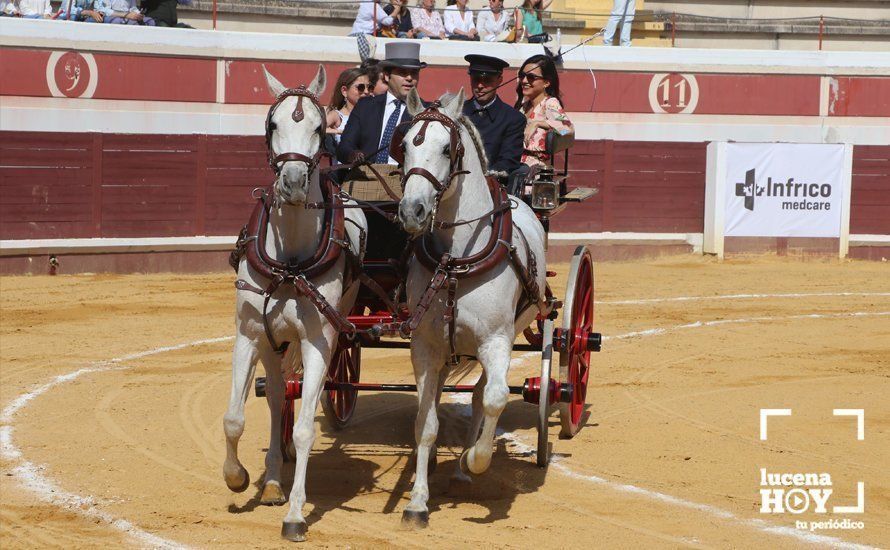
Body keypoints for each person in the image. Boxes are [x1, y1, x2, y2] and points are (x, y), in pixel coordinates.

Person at [337, 41, 426, 165]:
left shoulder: (426, 112)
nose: (409, 78)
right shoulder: (365, 106)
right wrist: (353, 155)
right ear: (386, 76)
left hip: (405, 180)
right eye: (402, 72)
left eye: (414, 72)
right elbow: (344, 147)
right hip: (365, 178)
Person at [509, 54, 573, 195]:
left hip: (535, 174)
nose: (524, 81)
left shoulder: (550, 103)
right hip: (514, 165)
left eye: (531, 77)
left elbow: (567, 131)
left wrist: (540, 124)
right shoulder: (523, 105)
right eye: (522, 76)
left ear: (546, 83)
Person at [461, 54, 525, 179]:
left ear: (499, 80)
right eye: (476, 79)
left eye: (487, 80)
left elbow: (508, 161)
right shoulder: (457, 113)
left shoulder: (513, 119)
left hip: (490, 186)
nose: (480, 85)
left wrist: (480, 178)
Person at [326, 67, 372, 147]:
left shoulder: (373, 114)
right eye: (360, 87)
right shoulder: (336, 115)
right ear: (344, 91)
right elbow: (316, 129)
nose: (366, 91)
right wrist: (337, 131)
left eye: (369, 87)